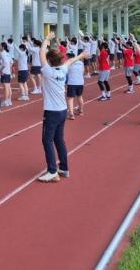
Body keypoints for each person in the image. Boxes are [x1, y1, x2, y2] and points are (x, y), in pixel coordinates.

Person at [37, 33, 89, 182]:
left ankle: (52, 171)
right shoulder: (63, 69)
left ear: (49, 61)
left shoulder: (48, 71)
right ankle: (64, 168)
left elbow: (42, 53)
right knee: (59, 139)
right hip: (62, 110)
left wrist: (47, 39)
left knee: (47, 141)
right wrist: (82, 55)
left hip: (52, 112)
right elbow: (71, 60)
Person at [65, 51, 85, 119]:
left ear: (68, 56)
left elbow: (65, 72)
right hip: (80, 82)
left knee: (70, 98)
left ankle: (71, 114)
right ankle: (81, 111)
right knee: (80, 96)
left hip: (72, 83)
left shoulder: (68, 63)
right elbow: (82, 72)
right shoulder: (81, 63)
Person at [0, 42, 14, 107]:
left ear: (2, 47)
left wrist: (1, 70)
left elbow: (5, 63)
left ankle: (5, 101)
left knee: (6, 88)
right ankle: (9, 100)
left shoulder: (2, 53)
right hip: (8, 72)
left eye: (0, 46)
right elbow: (11, 62)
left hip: (4, 72)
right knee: (8, 87)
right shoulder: (8, 53)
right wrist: (9, 68)